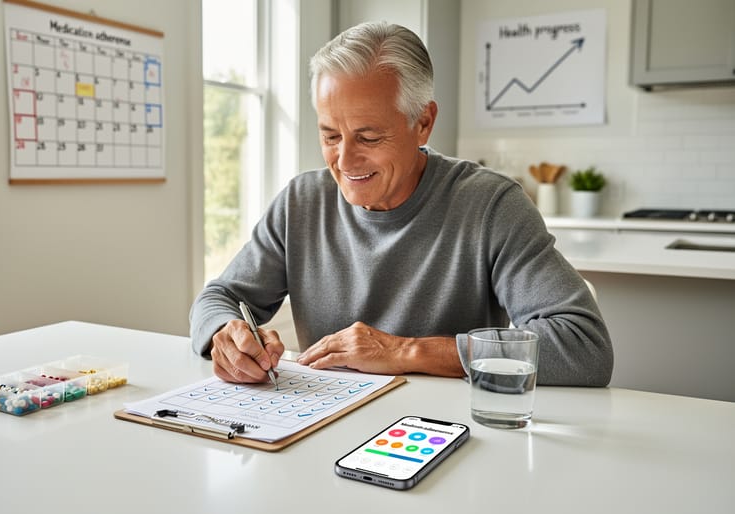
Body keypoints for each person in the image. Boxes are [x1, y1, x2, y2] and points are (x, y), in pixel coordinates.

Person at [189, 21, 613, 387]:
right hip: (321, 425)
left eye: (369, 138)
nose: (344, 160)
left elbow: (583, 346)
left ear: (423, 122)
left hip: (445, 436)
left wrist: (406, 352)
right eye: (330, 136)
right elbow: (219, 297)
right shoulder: (301, 202)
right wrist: (227, 334)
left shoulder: (491, 206)